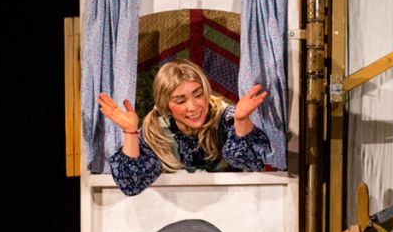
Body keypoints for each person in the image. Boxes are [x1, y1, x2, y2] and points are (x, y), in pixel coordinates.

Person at [97, 60, 270, 196]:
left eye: (198, 95)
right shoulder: (156, 132)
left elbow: (252, 162)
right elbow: (132, 184)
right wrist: (130, 132)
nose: (193, 107)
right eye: (180, 101)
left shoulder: (225, 118)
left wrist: (241, 120)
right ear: (166, 106)